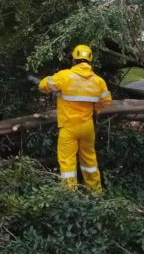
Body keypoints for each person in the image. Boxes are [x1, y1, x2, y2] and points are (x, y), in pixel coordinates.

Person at [37, 45, 111, 192]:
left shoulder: (65, 76)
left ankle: (70, 195)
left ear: (74, 60)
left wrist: (50, 84)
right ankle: (96, 192)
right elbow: (105, 102)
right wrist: (95, 108)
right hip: (87, 127)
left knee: (67, 163)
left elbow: (43, 85)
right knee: (89, 161)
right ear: (90, 60)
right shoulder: (98, 81)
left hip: (68, 127)